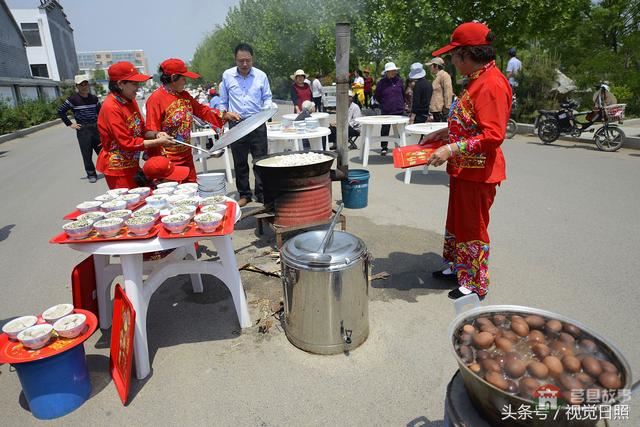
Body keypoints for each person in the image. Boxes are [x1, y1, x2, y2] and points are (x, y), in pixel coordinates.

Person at [422, 22, 512, 301]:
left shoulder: (492, 84)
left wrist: (451, 148)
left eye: (453, 55)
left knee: (473, 225)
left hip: (480, 172)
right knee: (458, 221)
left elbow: (493, 135)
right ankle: (457, 267)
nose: (451, 61)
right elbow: (469, 123)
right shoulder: (477, 79)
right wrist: (443, 132)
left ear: (466, 54)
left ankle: (474, 282)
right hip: (465, 169)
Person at [145, 58, 240, 182]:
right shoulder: (156, 100)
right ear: (173, 78)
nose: (185, 81)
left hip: (186, 156)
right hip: (168, 161)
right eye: (183, 78)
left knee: (192, 190)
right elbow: (151, 131)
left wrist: (224, 115)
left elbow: (202, 110)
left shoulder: (184, 95)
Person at [96, 62, 174, 189]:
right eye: (134, 83)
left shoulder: (130, 100)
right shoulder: (111, 107)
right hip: (118, 168)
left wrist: (156, 134)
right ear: (120, 84)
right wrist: (158, 142)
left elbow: (142, 130)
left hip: (132, 164)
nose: (138, 87)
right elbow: (126, 143)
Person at [219, 43, 273, 207]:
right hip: (237, 124)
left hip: (257, 123)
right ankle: (244, 194)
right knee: (240, 161)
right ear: (235, 60)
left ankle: (262, 193)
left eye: (247, 60)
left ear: (252, 59)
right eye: (240, 61)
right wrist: (225, 113)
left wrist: (265, 113)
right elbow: (223, 102)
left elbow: (267, 97)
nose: (244, 64)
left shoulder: (261, 76)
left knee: (260, 160)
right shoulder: (227, 76)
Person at [58, 75, 102, 183]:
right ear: (77, 86)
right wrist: (70, 124)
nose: (84, 86)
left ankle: (107, 169)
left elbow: (100, 113)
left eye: (85, 84)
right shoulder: (73, 99)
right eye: (81, 85)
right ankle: (91, 174)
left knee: (102, 151)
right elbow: (61, 111)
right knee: (87, 153)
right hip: (83, 129)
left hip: (96, 127)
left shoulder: (94, 98)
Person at [374, 62, 404, 155]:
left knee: (399, 130)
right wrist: (384, 103)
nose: (394, 72)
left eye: (394, 70)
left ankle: (400, 146)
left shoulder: (399, 81)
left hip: (398, 109)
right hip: (386, 110)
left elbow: (402, 93)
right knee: (385, 129)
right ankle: (384, 147)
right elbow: (377, 95)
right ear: (387, 72)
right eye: (391, 71)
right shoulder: (381, 83)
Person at [426, 57, 453, 122]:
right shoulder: (436, 77)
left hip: (441, 111)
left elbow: (448, 92)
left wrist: (447, 107)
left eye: (431, 65)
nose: (429, 67)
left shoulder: (444, 75)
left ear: (436, 66)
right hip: (436, 110)